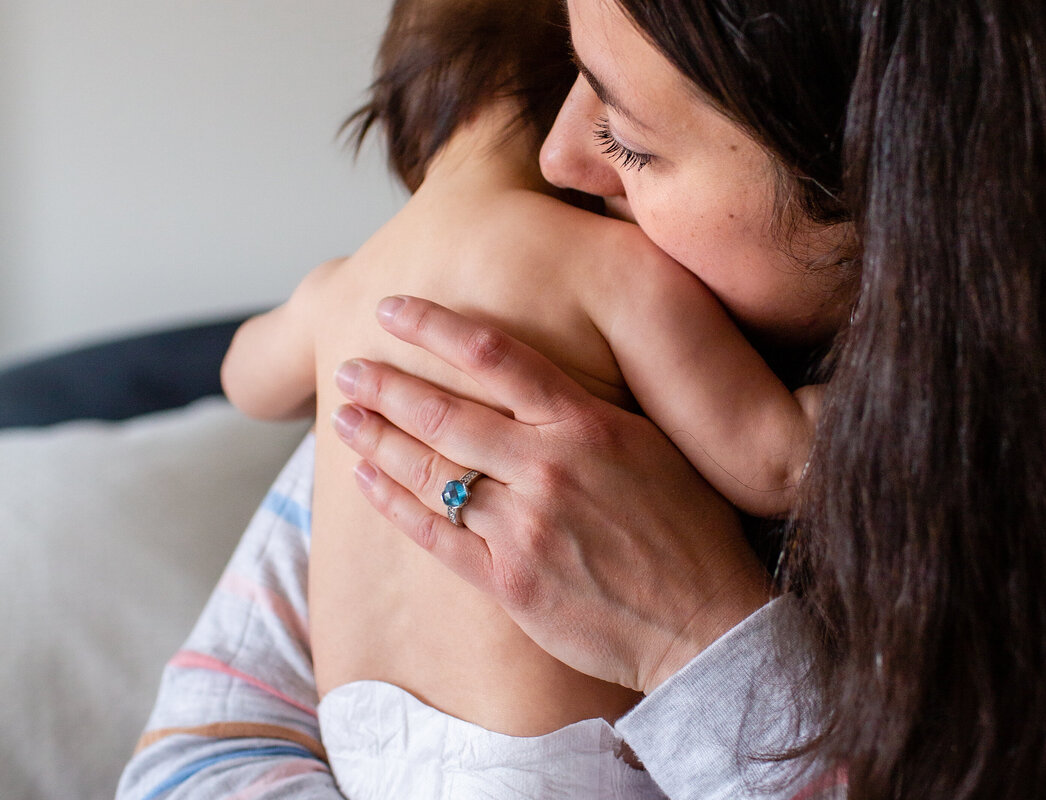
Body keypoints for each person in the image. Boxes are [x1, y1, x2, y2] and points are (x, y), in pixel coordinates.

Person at [119, 0, 1046, 798]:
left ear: (902, 188)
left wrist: (697, 641)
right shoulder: (469, 397)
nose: (557, 157)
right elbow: (192, 757)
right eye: (571, 75)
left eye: (631, 135)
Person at [224, 0, 821, 794]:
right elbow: (773, 464)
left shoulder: (339, 290)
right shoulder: (609, 265)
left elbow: (241, 378)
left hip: (354, 745)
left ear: (395, 122)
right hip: (545, 763)